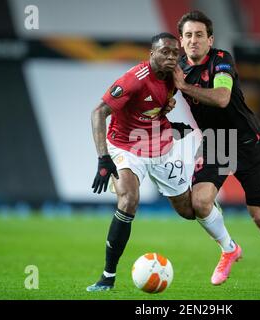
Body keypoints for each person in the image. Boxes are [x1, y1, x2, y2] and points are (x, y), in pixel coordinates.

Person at [173, 11, 260, 291]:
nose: (194, 40)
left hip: (248, 142)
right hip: (218, 141)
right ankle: (229, 249)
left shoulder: (221, 60)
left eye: (199, 35)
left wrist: (182, 86)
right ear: (181, 41)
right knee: (200, 203)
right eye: (188, 35)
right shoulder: (176, 67)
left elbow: (222, 98)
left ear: (210, 39)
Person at [86, 32, 198, 292]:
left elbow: (158, 104)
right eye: (164, 52)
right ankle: (107, 276)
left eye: (175, 53)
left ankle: (210, 197)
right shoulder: (133, 80)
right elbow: (98, 112)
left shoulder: (176, 76)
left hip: (159, 147)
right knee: (128, 200)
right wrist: (103, 157)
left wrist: (167, 119)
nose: (171, 57)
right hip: (126, 146)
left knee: (190, 211)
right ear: (151, 54)